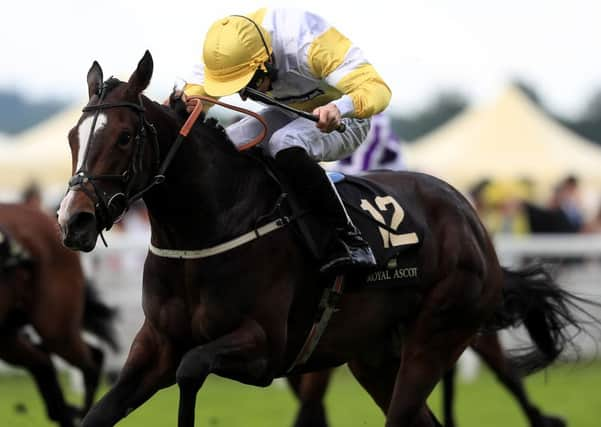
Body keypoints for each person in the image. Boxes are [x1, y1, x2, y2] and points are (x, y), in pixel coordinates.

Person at [181, 8, 392, 273]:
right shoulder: (225, 54)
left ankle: (348, 239)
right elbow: (187, 101)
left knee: (283, 142)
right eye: (238, 89)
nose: (245, 97)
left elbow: (378, 89)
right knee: (228, 142)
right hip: (289, 112)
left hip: (346, 119)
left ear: (266, 60)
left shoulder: (309, 43)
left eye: (251, 83)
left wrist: (340, 107)